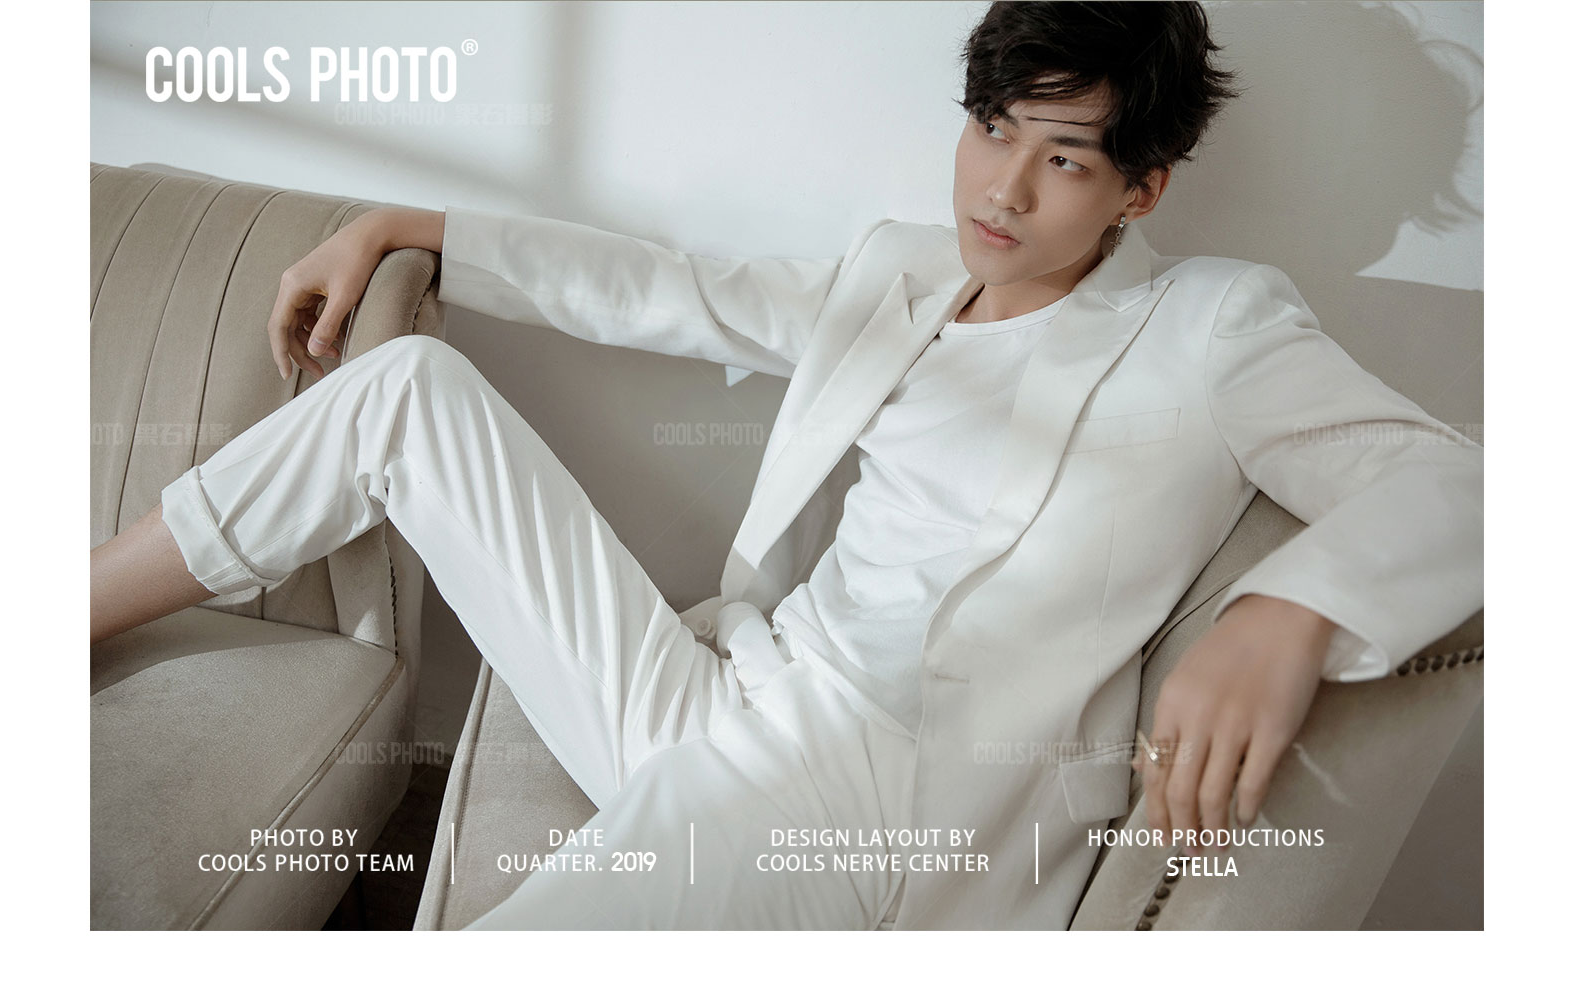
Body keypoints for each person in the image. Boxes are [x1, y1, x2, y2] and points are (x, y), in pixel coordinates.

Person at [90, 1, 1483, 929]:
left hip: (879, 795)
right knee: (405, 391)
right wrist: (407, 223)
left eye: (1065, 158)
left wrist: (1286, 610)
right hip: (727, 690)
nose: (1001, 190)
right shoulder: (903, 273)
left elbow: (1467, 484)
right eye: (993, 129)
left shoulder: (1214, 328)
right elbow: (675, 291)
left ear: (1141, 188)